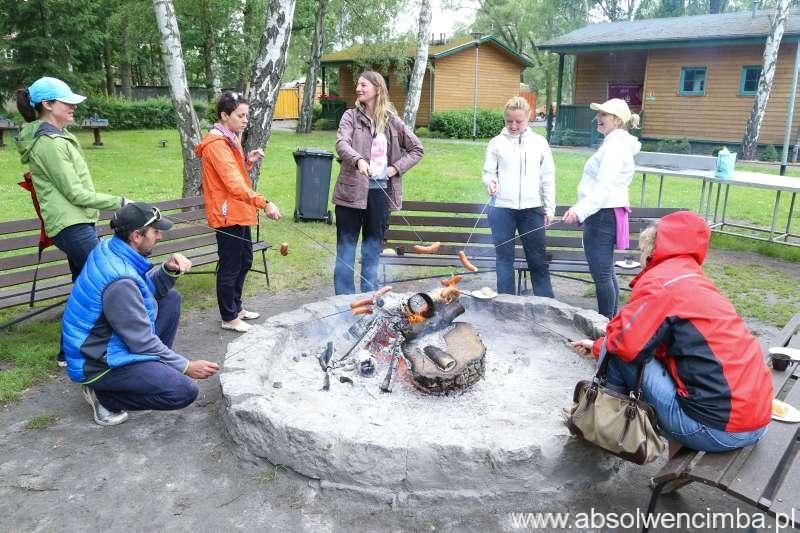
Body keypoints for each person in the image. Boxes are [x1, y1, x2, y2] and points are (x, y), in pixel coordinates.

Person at [570, 211, 772, 453]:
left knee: (616, 351)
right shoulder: (693, 278)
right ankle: (609, 424)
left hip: (715, 430)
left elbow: (623, 343)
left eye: (642, 250)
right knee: (620, 347)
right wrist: (596, 346)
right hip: (757, 421)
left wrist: (600, 346)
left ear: (652, 249)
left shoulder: (660, 281)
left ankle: (603, 426)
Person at [61, 202, 219, 426]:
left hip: (107, 343)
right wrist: (186, 366)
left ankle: (153, 370)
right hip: (98, 364)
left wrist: (167, 270)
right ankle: (104, 396)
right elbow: (142, 342)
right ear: (136, 235)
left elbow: (143, 291)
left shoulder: (112, 248)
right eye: (155, 232)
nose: (160, 236)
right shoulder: (120, 282)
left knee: (170, 298)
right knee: (183, 391)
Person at [16, 77, 127, 366]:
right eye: (67, 102)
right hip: (70, 224)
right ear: (47, 104)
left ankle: (69, 353)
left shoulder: (58, 137)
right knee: (107, 278)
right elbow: (74, 192)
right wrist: (121, 202)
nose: (73, 107)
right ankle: (109, 347)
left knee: (84, 288)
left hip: (78, 221)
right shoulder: (48, 143)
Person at [195, 91, 280, 333]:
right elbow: (233, 184)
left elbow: (235, 173)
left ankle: (237, 307)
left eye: (246, 115)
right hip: (226, 214)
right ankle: (228, 317)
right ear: (224, 115)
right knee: (230, 265)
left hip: (238, 211)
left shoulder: (229, 138)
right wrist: (265, 203)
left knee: (245, 260)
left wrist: (248, 162)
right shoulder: (216, 144)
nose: (245, 120)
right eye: (240, 115)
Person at [332, 70, 424, 294]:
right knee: (346, 250)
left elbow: (417, 149)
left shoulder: (392, 120)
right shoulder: (350, 116)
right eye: (358, 85)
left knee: (372, 251)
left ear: (378, 89)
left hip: (379, 195)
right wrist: (358, 160)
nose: (358, 89)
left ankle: (369, 297)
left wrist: (394, 169)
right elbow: (341, 144)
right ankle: (343, 301)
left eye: (364, 85)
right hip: (350, 195)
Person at [562, 98, 641, 318]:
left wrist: (579, 211)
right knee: (606, 272)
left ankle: (605, 325)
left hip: (603, 214)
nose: (598, 117)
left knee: (602, 274)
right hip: (605, 212)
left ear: (617, 120)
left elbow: (603, 188)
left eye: (603, 114)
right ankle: (611, 323)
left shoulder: (615, 147)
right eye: (599, 113)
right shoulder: (615, 144)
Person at [482, 96, 555, 296]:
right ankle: (506, 302)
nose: (513, 126)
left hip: (532, 209)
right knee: (504, 259)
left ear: (528, 117)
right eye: (509, 121)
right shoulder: (496, 143)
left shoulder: (539, 143)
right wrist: (490, 182)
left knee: (537, 259)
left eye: (518, 121)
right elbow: (488, 172)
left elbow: (548, 177)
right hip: (501, 210)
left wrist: (549, 208)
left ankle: (545, 303)